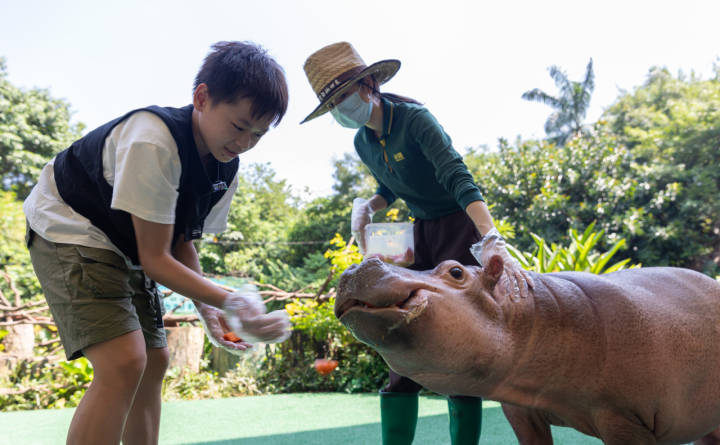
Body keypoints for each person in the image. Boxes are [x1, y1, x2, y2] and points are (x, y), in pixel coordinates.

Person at [23, 41, 291, 445]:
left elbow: (181, 242)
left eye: (259, 133)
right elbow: (155, 259)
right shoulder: (153, 140)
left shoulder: (224, 168)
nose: (245, 143)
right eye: (239, 126)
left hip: (124, 244)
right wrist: (233, 302)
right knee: (123, 361)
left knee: (153, 361)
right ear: (201, 97)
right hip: (68, 227)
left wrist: (210, 311)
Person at [301, 42, 532, 445]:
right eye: (331, 104)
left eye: (343, 96)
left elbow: (457, 177)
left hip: (460, 228)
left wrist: (489, 236)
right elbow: (390, 184)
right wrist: (371, 204)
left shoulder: (415, 120)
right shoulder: (362, 142)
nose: (340, 109)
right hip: (418, 235)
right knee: (403, 334)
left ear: (368, 83)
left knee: (461, 343)